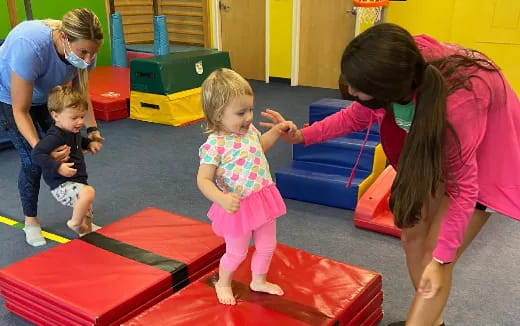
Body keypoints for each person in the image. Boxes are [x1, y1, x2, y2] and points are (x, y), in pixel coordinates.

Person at [261, 23, 520, 326]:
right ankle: (431, 322)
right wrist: (302, 136)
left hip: (483, 165)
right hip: (431, 154)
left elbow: (464, 188)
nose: (351, 91)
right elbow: (356, 114)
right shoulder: (396, 71)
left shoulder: (458, 108)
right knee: (412, 238)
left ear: (389, 89)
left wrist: (441, 261)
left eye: (359, 87)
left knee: (435, 257)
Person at [0, 8, 104, 246]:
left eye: (92, 53)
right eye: (83, 52)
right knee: (31, 160)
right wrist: (43, 151)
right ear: (65, 38)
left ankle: (83, 222)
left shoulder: (86, 52)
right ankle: (31, 221)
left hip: (47, 97)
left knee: (73, 148)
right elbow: (20, 109)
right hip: (9, 96)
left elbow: (80, 95)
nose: (88, 59)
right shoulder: (30, 45)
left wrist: (92, 131)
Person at [197, 68, 296, 305]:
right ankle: (223, 282)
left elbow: (259, 147)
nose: (249, 117)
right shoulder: (215, 145)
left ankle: (258, 280)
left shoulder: (249, 131)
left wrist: (274, 131)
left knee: (267, 245)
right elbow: (203, 179)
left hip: (262, 197)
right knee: (237, 252)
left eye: (250, 109)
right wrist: (221, 199)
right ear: (218, 115)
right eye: (241, 112)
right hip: (237, 206)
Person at [31, 86, 101, 236]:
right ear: (56, 116)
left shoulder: (71, 130)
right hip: (61, 184)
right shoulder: (55, 136)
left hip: (78, 180)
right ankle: (74, 223)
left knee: (87, 210)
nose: (80, 122)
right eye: (74, 118)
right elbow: (36, 154)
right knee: (88, 193)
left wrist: (89, 143)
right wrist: (58, 167)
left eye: (82, 117)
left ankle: (84, 230)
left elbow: (78, 140)